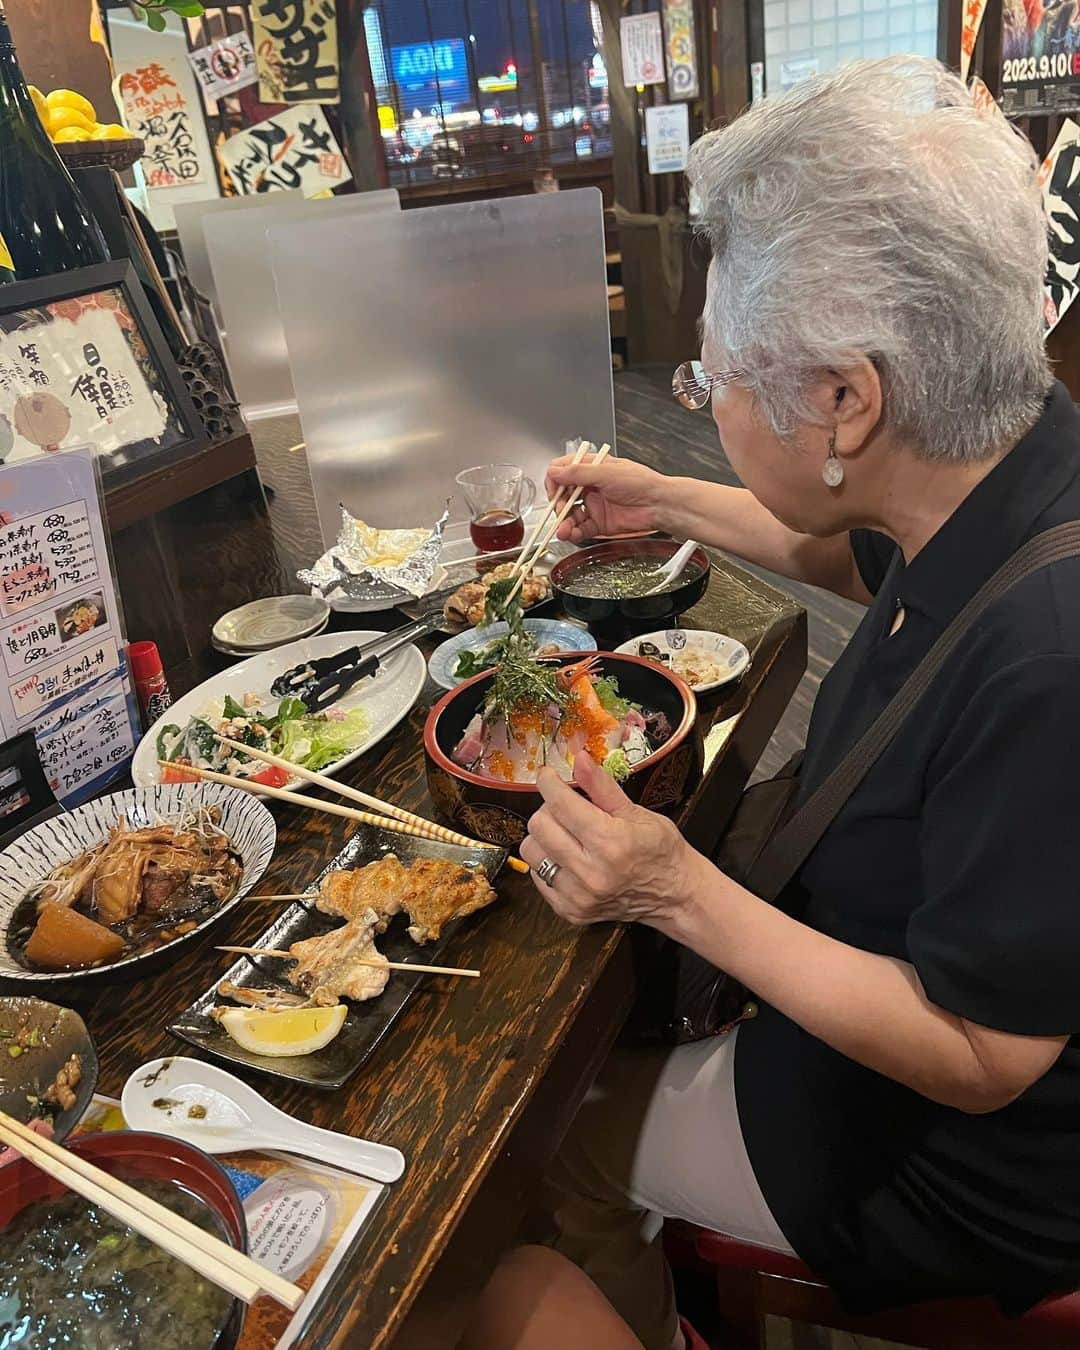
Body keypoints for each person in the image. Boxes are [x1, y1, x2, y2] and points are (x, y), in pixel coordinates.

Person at [501, 56, 1080, 1350]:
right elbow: (850, 547)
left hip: (967, 1147)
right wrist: (663, 495)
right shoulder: (1008, 450)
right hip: (895, 984)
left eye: (712, 385)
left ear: (843, 399)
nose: (703, 403)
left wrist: (672, 887)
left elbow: (985, 1053)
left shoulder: (1054, 652)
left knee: (551, 1155)